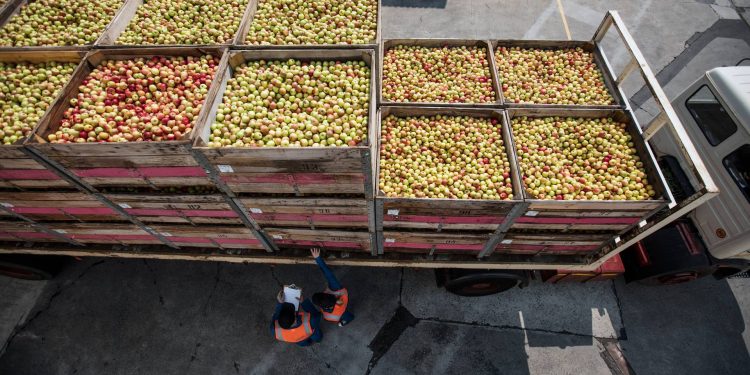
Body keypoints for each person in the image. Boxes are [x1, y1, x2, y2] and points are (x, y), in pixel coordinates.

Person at [310, 248, 355, 326]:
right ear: (325, 294)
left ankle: (343, 322)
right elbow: (329, 275)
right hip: (343, 307)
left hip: (341, 313)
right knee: (347, 315)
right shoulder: (335, 289)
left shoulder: (327, 310)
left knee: (348, 316)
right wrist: (318, 259)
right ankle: (348, 318)